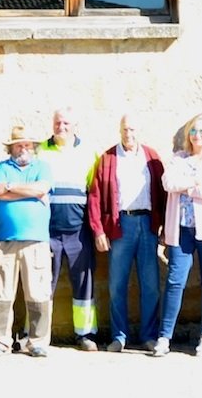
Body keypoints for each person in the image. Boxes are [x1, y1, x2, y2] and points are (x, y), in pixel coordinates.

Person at [153, 113, 202, 357]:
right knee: (176, 281)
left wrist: (186, 185)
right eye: (194, 131)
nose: (198, 136)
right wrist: (196, 181)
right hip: (181, 229)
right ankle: (165, 337)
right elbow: (167, 183)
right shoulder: (178, 158)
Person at [88, 113, 165, 353]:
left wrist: (164, 227)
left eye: (132, 130)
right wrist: (98, 230)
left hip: (148, 225)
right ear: (119, 131)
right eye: (125, 130)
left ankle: (149, 335)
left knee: (151, 284)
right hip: (121, 225)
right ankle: (119, 336)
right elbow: (95, 196)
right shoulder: (108, 158)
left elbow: (163, 194)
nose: (129, 134)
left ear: (139, 130)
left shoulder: (151, 157)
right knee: (116, 285)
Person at [0, 124, 53, 358]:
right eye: (18, 145)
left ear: (33, 147)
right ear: (11, 148)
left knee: (38, 292)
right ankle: (0, 342)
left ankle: (37, 342)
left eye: (27, 144)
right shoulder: (0, 168)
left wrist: (12, 188)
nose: (23, 148)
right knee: (2, 293)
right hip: (5, 240)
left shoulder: (42, 167)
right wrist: (30, 192)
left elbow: (42, 188)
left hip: (37, 240)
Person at [39, 108, 100, 350]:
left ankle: (85, 334)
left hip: (79, 230)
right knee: (42, 283)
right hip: (47, 229)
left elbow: (93, 191)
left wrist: (96, 229)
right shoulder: (40, 151)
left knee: (84, 281)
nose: (61, 127)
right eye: (57, 122)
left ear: (75, 125)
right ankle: (36, 334)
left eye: (66, 123)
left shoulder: (89, 153)